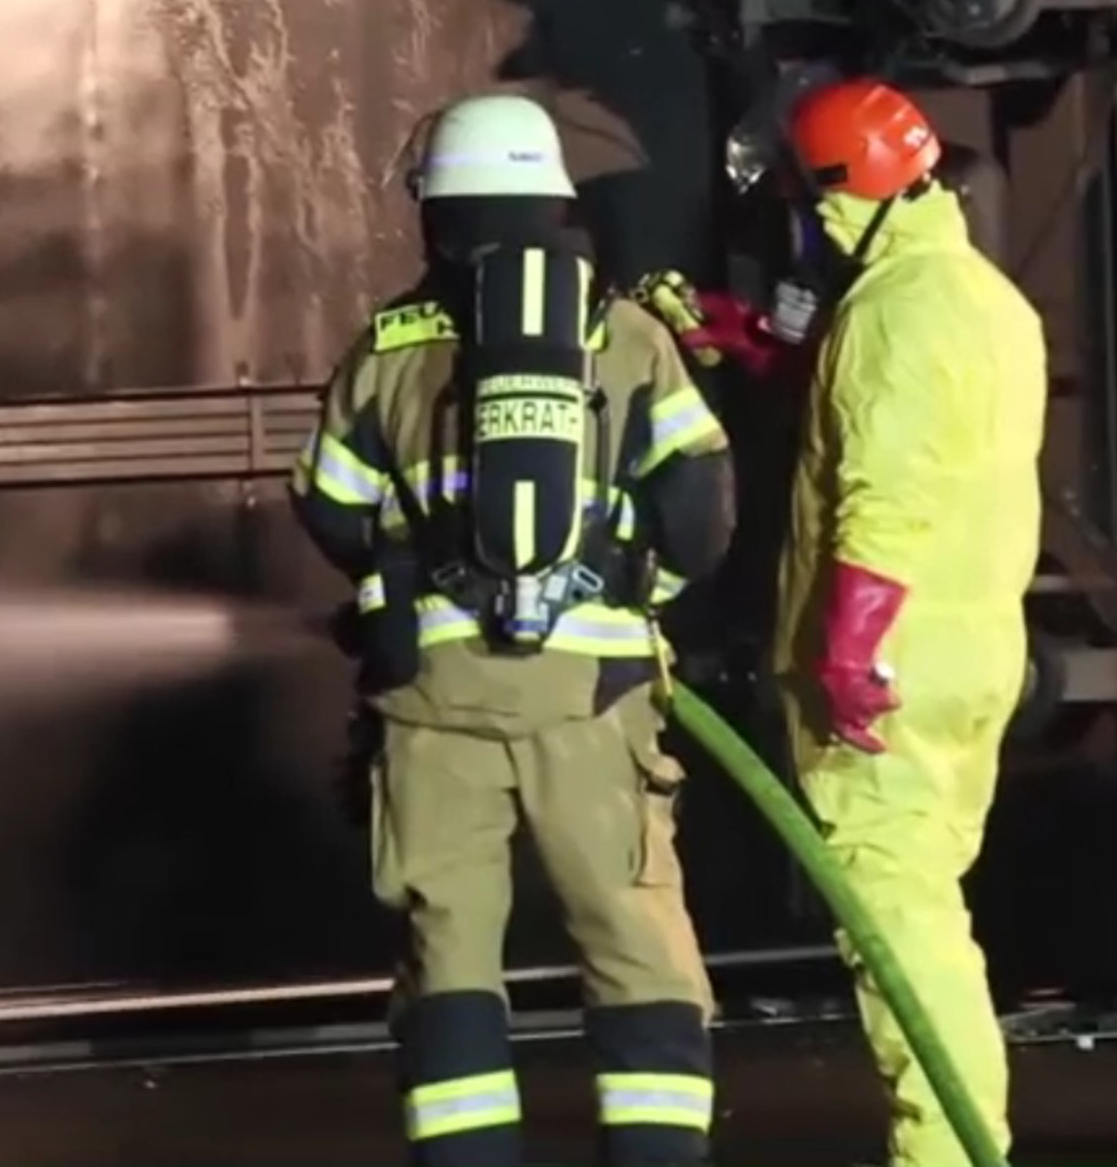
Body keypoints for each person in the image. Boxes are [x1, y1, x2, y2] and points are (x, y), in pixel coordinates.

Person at [289, 93, 735, 1167]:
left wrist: (403, 584)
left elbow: (331, 506)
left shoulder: (388, 346)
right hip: (592, 702)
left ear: (435, 212)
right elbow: (701, 512)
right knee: (634, 944)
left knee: (448, 957)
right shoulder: (625, 334)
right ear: (554, 202)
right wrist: (632, 595)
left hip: (431, 700)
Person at [684, 78, 1047, 1167]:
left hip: (888, 671)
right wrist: (757, 345)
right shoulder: (979, 297)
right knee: (924, 909)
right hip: (966, 655)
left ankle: (946, 1151)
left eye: (801, 201)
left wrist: (846, 652)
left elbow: (881, 491)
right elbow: (891, 408)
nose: (795, 222)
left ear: (838, 198)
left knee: (899, 932)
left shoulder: (892, 312)